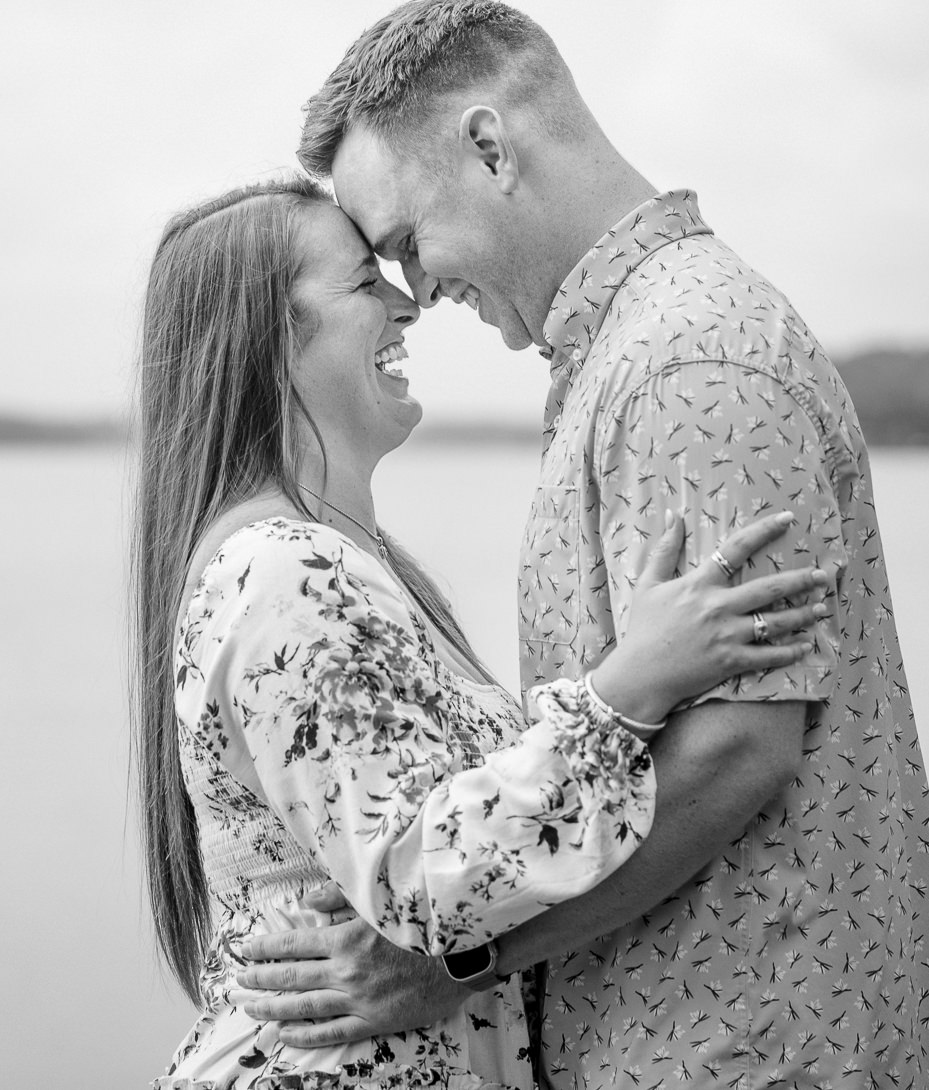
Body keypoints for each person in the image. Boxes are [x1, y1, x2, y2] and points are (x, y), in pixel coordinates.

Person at [231, 0, 929, 1088]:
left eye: (405, 243)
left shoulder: (687, 363)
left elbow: (738, 750)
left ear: (490, 146)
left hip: (755, 1048)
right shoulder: (630, 353)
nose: (419, 292)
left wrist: (456, 967)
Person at [133, 174, 834, 1088]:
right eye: (360, 282)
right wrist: (631, 688)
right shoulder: (283, 575)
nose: (404, 301)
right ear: (265, 341)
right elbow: (422, 878)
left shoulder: (332, 563)